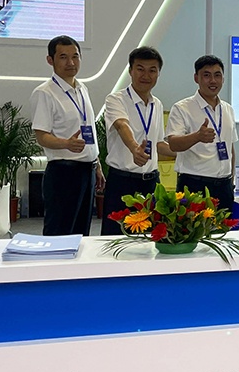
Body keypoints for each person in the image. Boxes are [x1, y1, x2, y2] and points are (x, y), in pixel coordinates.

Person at [30, 35, 105, 236]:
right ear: (50, 60)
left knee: (82, 233)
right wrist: (66, 143)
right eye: (63, 57)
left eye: (75, 56)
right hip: (64, 172)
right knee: (60, 232)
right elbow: (42, 136)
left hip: (87, 171)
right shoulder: (45, 93)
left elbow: (88, 130)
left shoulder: (82, 89)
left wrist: (96, 163)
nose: (71, 62)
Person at [101, 46, 174, 235]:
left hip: (151, 183)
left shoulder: (157, 104)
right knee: (116, 239)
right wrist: (134, 148)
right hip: (123, 182)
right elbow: (121, 125)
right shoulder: (116, 99)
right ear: (130, 70)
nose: (146, 75)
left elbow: (158, 144)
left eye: (152, 70)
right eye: (140, 69)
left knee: (150, 238)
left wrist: (187, 150)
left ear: (158, 74)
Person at [166, 55, 238, 213]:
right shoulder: (182, 108)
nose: (213, 81)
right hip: (194, 186)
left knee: (223, 228)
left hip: (224, 187)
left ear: (223, 79)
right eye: (206, 75)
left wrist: (231, 181)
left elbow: (230, 148)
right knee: (192, 228)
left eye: (217, 75)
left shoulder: (228, 109)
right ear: (196, 78)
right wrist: (197, 136)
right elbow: (173, 144)